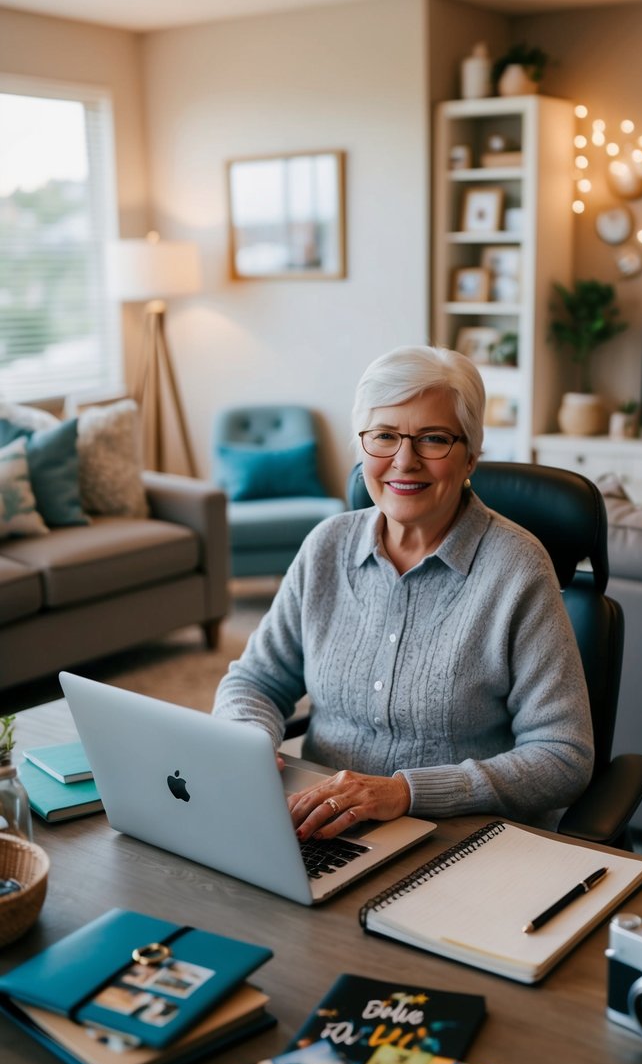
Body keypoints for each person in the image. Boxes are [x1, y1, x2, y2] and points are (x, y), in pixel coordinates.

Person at [213, 345, 593, 840]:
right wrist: (249, 745)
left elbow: (564, 756)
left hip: (457, 838)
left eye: (433, 439)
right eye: (385, 436)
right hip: (319, 825)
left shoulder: (518, 569)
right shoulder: (327, 545)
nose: (404, 461)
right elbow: (254, 681)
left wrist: (406, 791)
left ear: (472, 454)